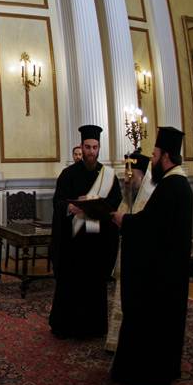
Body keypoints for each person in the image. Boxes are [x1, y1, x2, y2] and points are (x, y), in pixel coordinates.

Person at [111, 126, 192, 385]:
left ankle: (147, 374)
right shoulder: (180, 183)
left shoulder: (170, 185)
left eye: (155, 155)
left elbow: (149, 226)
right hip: (171, 270)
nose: (152, 160)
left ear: (166, 156)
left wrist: (124, 220)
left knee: (152, 323)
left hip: (160, 275)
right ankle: (166, 368)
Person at [49, 125, 121, 339]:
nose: (91, 151)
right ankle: (66, 326)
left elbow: (114, 202)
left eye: (95, 147)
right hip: (74, 241)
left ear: (99, 148)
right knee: (71, 284)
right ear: (81, 147)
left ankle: (93, 328)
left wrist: (96, 207)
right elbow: (58, 202)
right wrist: (70, 207)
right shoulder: (68, 174)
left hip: (97, 241)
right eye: (87, 147)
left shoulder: (108, 176)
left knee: (94, 285)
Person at [105, 150, 155, 353]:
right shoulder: (129, 195)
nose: (127, 181)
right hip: (126, 253)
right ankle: (117, 340)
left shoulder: (150, 197)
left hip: (141, 258)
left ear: (142, 176)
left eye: (130, 176)